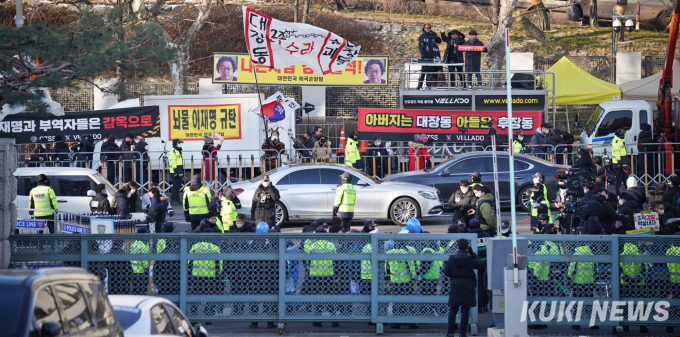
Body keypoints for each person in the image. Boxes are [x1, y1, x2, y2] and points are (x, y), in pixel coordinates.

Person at [443, 238, 485, 337]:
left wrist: (454, 276)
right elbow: (481, 265)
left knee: (453, 309)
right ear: (467, 247)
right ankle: (462, 334)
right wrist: (473, 254)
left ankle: (450, 332)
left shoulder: (452, 259)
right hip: (468, 285)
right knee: (465, 310)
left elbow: (446, 271)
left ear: (457, 247)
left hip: (455, 285)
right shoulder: (470, 259)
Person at [304, 229, 339, 328]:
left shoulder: (313, 246)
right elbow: (335, 260)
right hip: (328, 274)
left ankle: (318, 321)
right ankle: (333, 321)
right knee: (330, 297)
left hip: (315, 275)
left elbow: (308, 259)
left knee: (317, 297)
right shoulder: (331, 245)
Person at [568, 244, 598, 331]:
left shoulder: (576, 254)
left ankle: (577, 324)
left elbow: (571, 269)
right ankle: (592, 324)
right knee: (589, 304)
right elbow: (596, 270)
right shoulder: (592, 255)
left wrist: (569, 276)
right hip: (589, 282)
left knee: (578, 303)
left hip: (578, 282)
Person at [417, 22, 442, 90]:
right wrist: (424, 55)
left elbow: (439, 41)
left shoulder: (433, 34)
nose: (429, 29)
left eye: (430, 28)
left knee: (434, 71)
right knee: (424, 71)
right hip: (426, 57)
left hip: (434, 56)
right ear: (424, 28)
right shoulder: (422, 37)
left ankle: (433, 85)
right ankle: (419, 86)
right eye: (427, 28)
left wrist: (434, 36)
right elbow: (421, 47)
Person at [130, 227, 150, 294]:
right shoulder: (144, 246)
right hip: (142, 272)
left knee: (136, 289)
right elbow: (145, 260)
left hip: (133, 271)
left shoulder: (133, 244)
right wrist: (147, 269)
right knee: (142, 290)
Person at [611, 128, 629, 195]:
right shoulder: (616, 142)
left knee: (625, 179)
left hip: (622, 162)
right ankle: (618, 194)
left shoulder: (620, 142)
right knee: (618, 180)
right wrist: (619, 161)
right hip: (618, 163)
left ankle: (628, 191)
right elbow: (616, 152)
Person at [169, 139, 184, 205]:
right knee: (175, 186)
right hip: (175, 171)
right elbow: (172, 161)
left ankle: (178, 199)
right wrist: (176, 170)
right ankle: (173, 200)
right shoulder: (173, 151)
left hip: (179, 170)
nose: (180, 144)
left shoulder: (177, 151)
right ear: (176, 143)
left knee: (178, 186)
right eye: (179, 143)